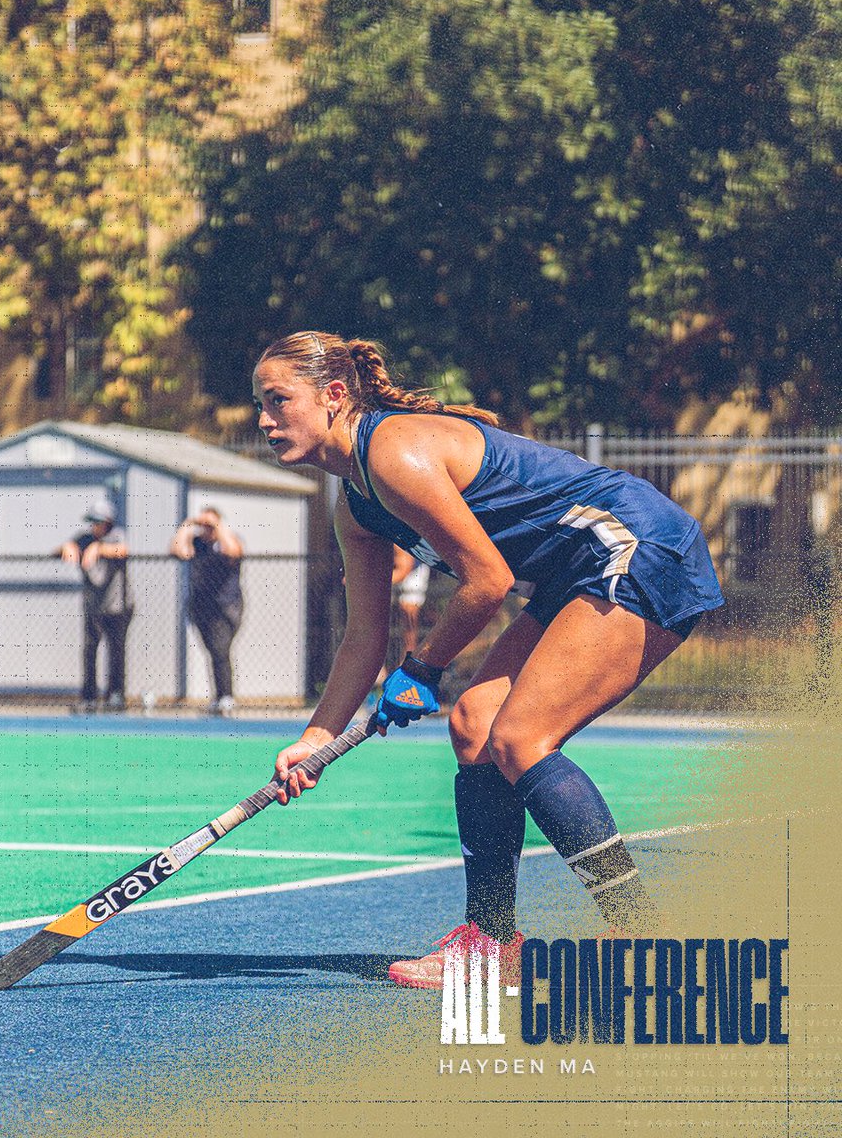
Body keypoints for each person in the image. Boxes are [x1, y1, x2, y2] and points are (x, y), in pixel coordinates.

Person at [253, 330, 725, 990]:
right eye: (260, 404)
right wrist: (316, 736)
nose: (264, 419)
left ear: (334, 396)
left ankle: (643, 935)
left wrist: (422, 668)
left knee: (520, 736)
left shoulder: (394, 452)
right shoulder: (354, 505)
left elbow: (487, 580)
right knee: (475, 723)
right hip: (576, 568)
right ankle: (492, 942)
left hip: (635, 544)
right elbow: (363, 635)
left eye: (278, 400)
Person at [60, 500, 132, 712]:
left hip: (118, 606)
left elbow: (121, 550)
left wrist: (99, 549)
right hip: (94, 607)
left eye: (98, 522)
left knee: (116, 651)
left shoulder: (116, 536)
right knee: (90, 650)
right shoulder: (84, 539)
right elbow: (67, 548)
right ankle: (89, 696)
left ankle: (115, 694)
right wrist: (68, 547)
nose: (94, 527)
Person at [170, 507, 244, 716]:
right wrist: (186, 526)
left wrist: (218, 526)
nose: (206, 529)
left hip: (226, 606)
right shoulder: (197, 544)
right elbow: (178, 551)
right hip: (202, 606)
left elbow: (233, 551)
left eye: (209, 526)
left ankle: (226, 697)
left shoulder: (227, 540)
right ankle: (219, 696)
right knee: (213, 650)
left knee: (220, 649)